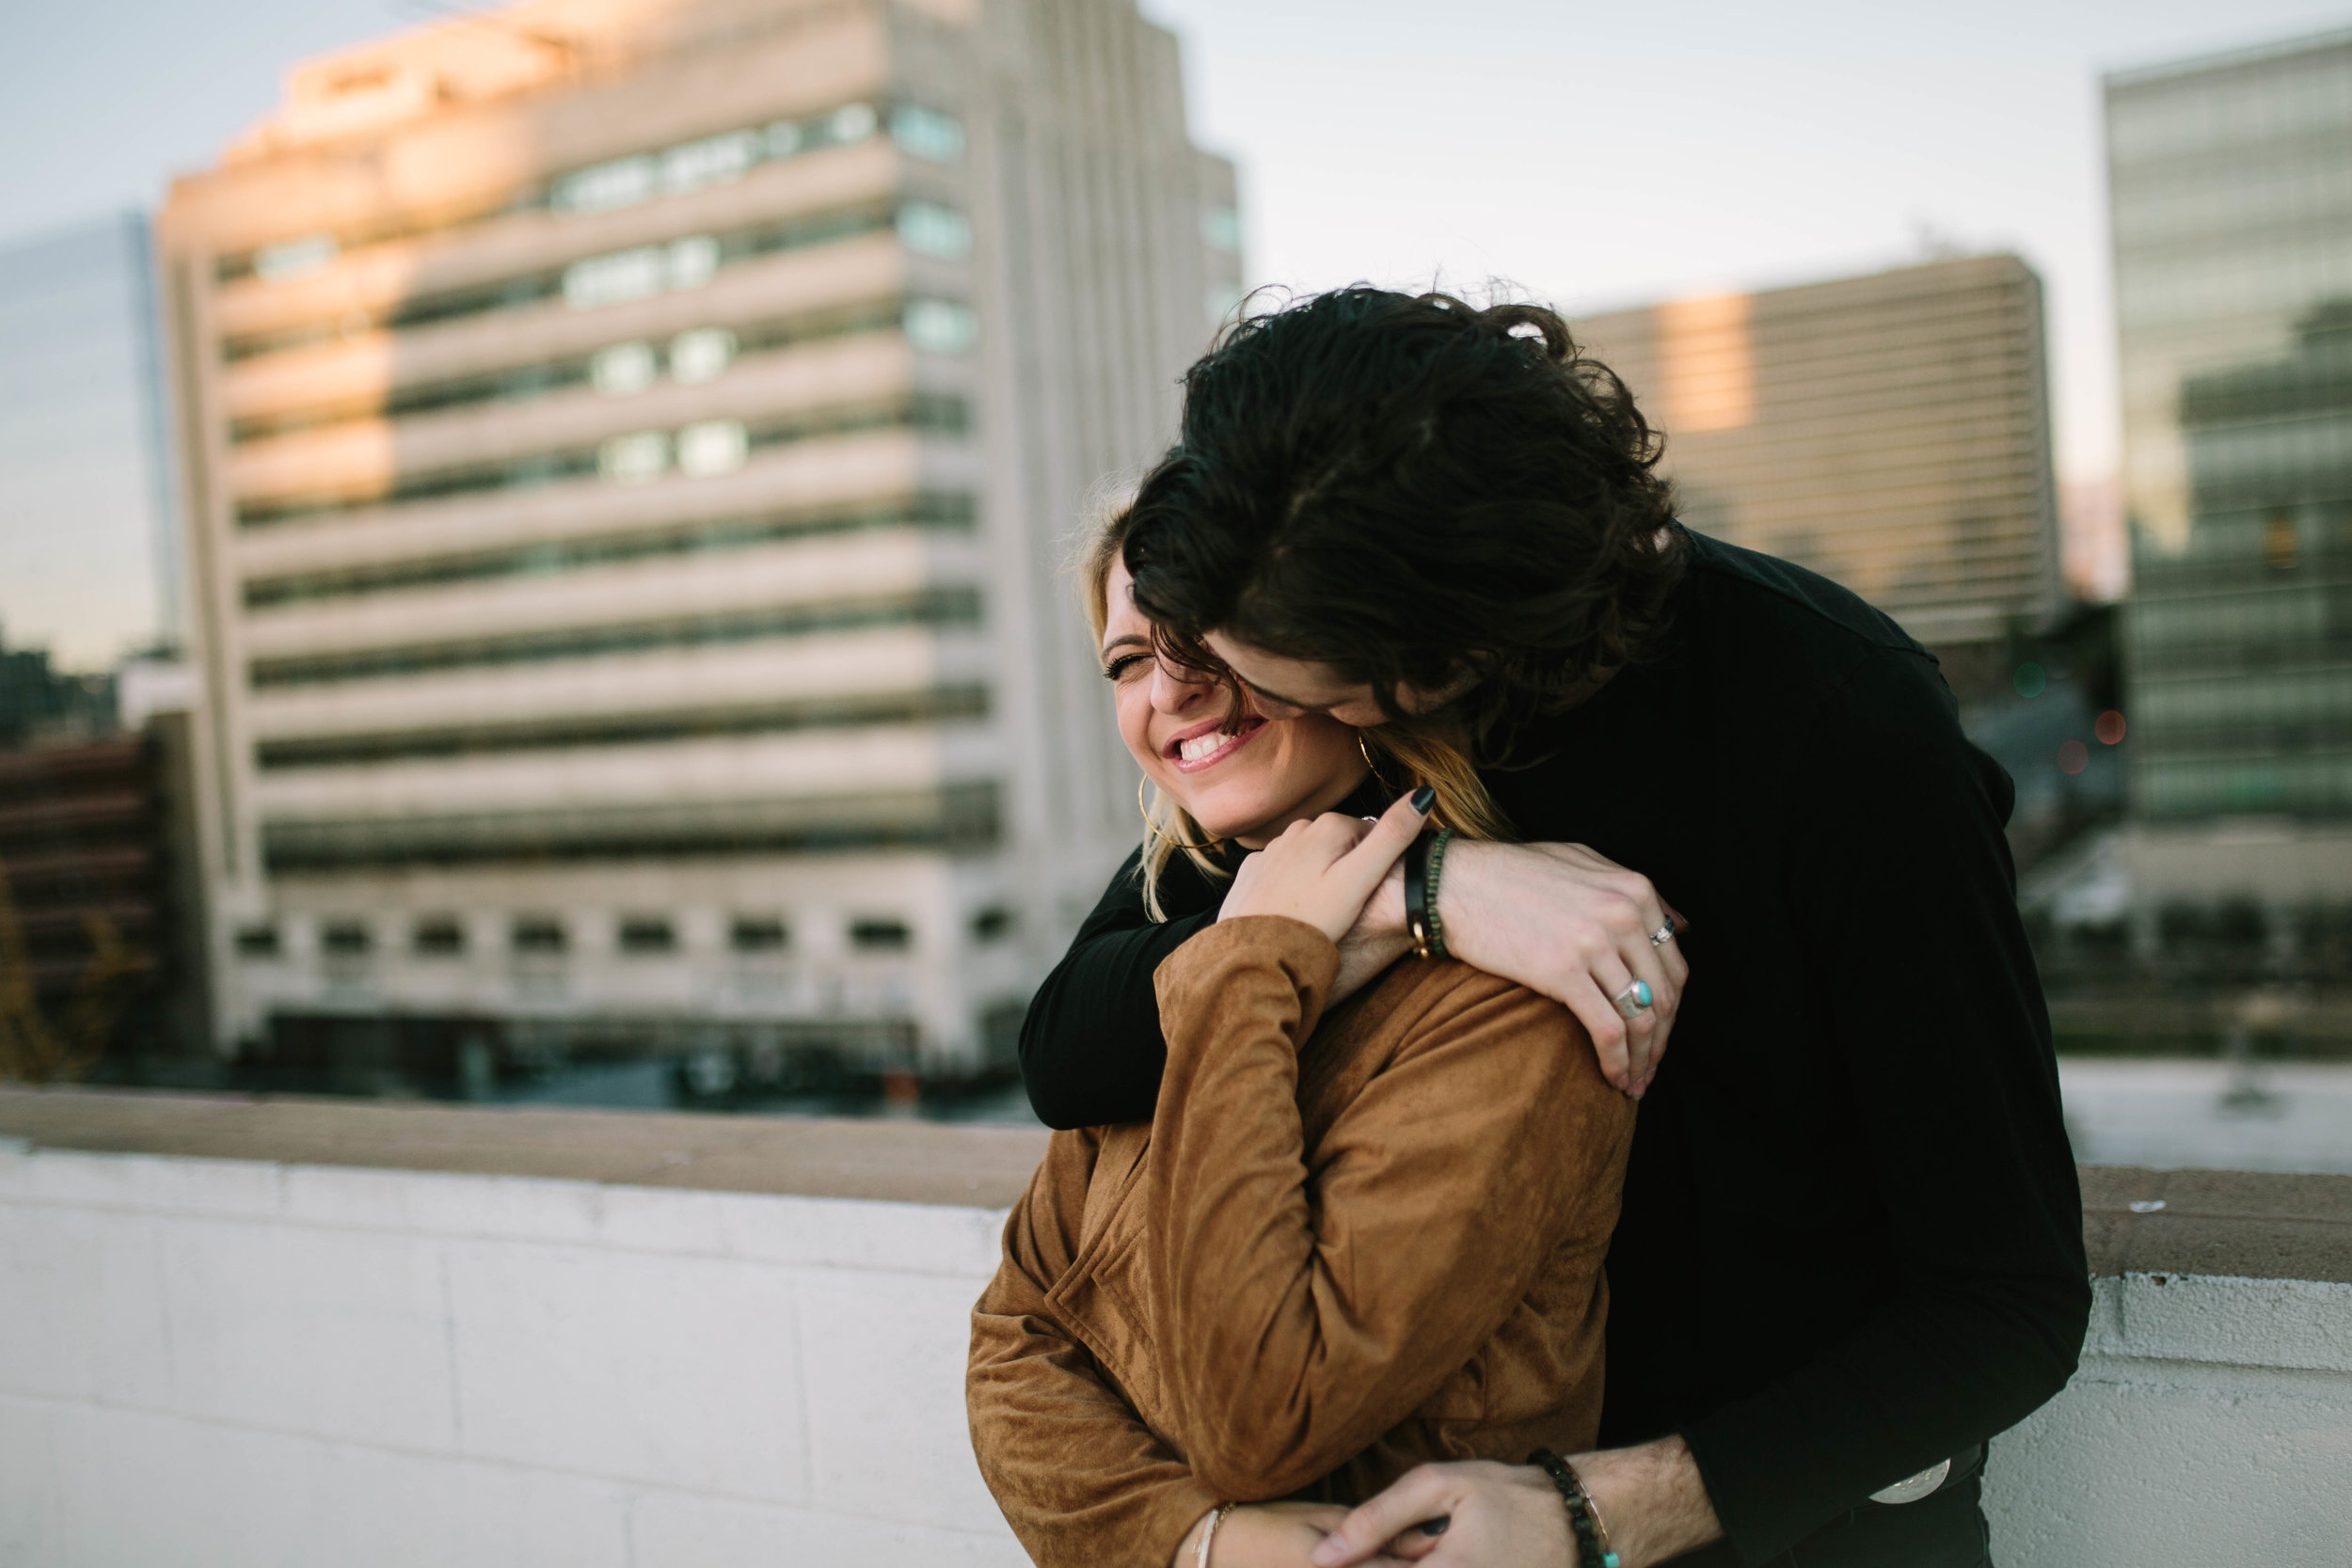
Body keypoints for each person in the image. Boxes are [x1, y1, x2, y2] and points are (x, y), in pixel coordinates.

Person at [1018, 289, 2091, 1568]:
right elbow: (1069, 1039)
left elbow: (2003, 1301)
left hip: (1796, 1528)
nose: (1226, 693)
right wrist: (1430, 893)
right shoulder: (1320, 654)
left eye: (1281, 678)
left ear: (1424, 663)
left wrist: (1594, 1512)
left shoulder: (1843, 726)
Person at [965, 515, 1638, 1568]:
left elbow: (1258, 1417)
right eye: (1129, 659)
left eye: (1212, 635)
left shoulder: (1508, 1000)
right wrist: (1196, 1541)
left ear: (1346, 654)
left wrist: (1256, 965)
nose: (1169, 689)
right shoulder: (1165, 959)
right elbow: (1015, 1336)